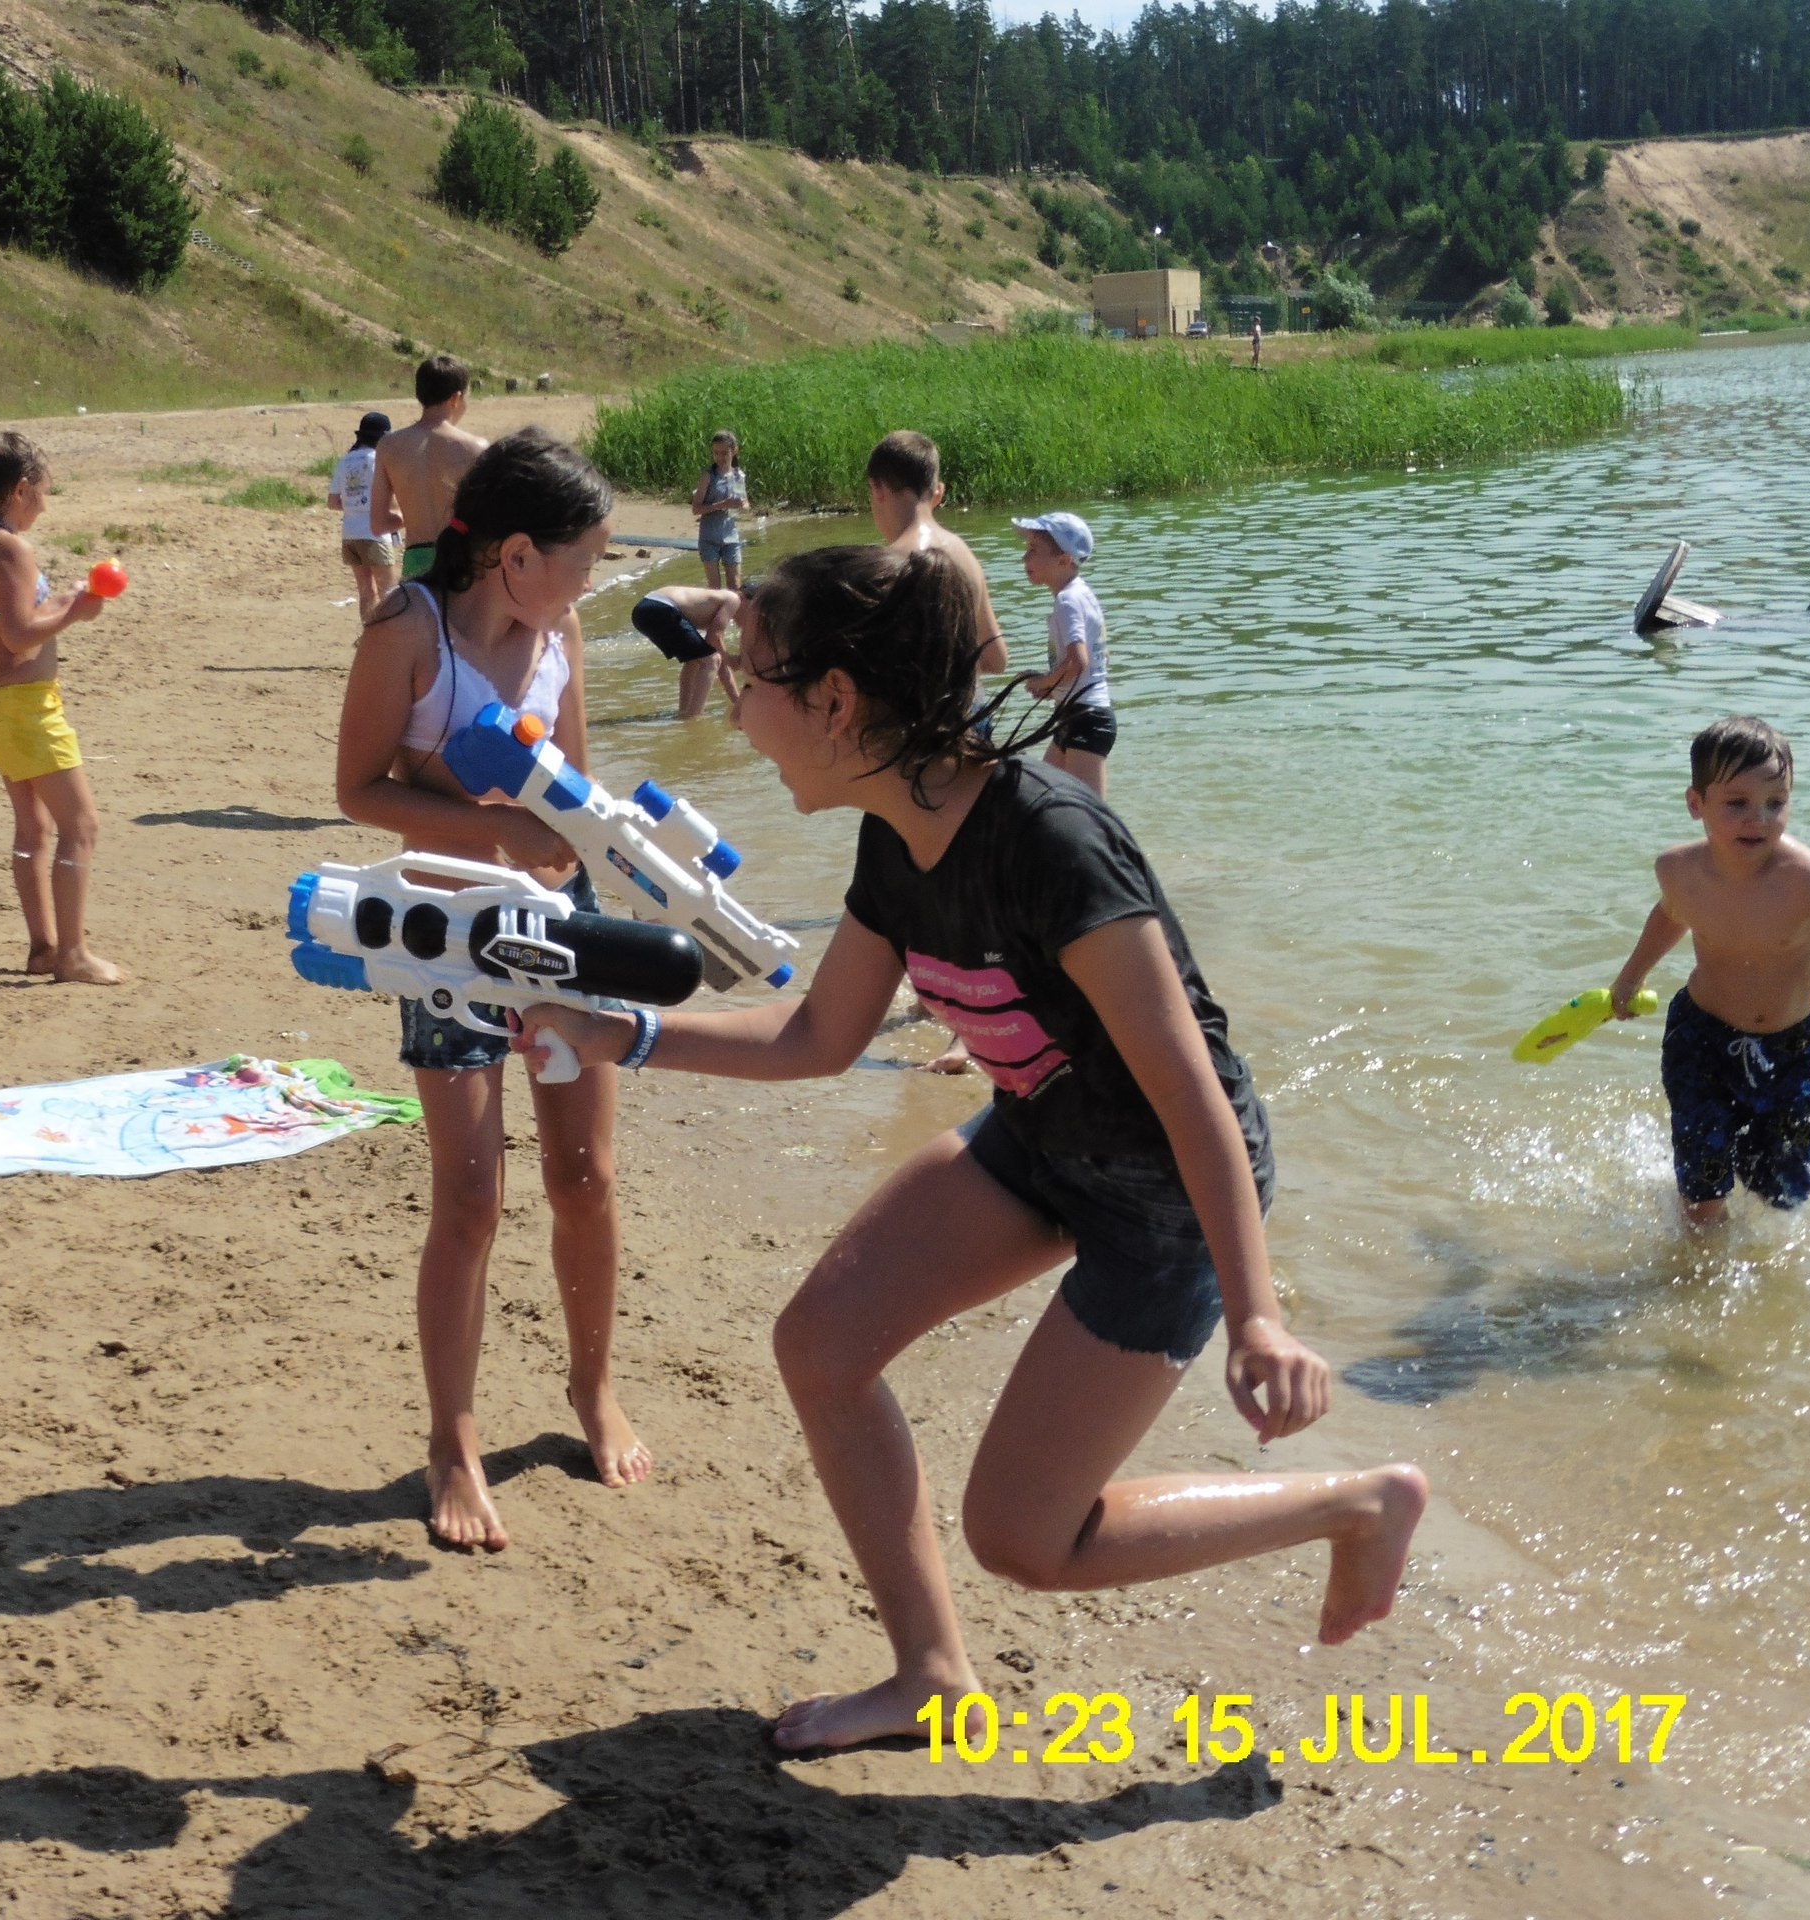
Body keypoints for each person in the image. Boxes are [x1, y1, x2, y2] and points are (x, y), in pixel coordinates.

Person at [512, 543, 1428, 1752]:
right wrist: (615, 1032)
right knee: (822, 1346)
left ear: (836, 701)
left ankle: (1357, 1503)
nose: (736, 713)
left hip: (1166, 1195)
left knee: (1025, 1540)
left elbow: (1188, 1086)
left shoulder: (1052, 842)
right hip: (1042, 1141)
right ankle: (930, 1676)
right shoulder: (895, 838)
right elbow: (816, 1036)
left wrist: (1257, 1314)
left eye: (754, 682)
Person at [333, 427, 648, 1553]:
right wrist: (491, 830)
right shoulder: (405, 632)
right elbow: (357, 786)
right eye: (587, 558)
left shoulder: (558, 629)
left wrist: (611, 854)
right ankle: (453, 1441)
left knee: (583, 1177)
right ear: (517, 554)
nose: (593, 581)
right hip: (449, 942)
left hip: (562, 936)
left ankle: (590, 1389)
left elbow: (573, 788)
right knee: (470, 1199)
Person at [1607, 715, 1810, 1223]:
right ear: (1696, 805)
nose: (1758, 819)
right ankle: (1698, 1273)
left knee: (1778, 1193)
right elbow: (1672, 913)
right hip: (1700, 1039)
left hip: (1792, 1050)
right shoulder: (1678, 868)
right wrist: (1631, 977)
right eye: (1737, 803)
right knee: (1702, 1185)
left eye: (1775, 803)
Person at [0, 432, 124, 986]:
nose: (46, 505)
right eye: (43, 493)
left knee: (34, 827)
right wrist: (76, 610)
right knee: (81, 825)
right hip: (20, 707)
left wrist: (63, 601)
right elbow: (20, 636)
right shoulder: (10, 546)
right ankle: (71, 954)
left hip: (0, 700)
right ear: (21, 489)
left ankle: (44, 948)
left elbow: (10, 616)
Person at [863, 432, 1007, 675]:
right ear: (937, 493)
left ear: (877, 488)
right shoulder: (964, 554)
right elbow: (997, 659)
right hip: (974, 708)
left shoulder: (892, 563)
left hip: (924, 711)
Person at [1013, 510, 1113, 796]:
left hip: (1087, 719)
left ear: (1064, 560)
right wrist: (1055, 688)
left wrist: (1044, 682)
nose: (1024, 558)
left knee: (1089, 818)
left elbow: (1078, 661)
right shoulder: (1081, 594)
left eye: (1033, 550)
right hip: (1074, 715)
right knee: (1043, 797)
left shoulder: (1068, 601)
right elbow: (1101, 657)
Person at [371, 356, 486, 584]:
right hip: (461, 556)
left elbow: (379, 524)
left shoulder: (389, 446)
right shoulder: (476, 448)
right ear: (456, 398)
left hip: (416, 559)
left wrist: (413, 513)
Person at [631, 586, 743, 720]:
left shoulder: (719, 604)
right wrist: (731, 660)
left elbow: (717, 655)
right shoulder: (734, 599)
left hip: (642, 610)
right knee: (711, 660)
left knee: (696, 661)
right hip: (661, 608)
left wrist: (738, 702)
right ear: (748, 601)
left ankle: (684, 713)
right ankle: (694, 718)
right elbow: (715, 640)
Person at [327, 412, 401, 614]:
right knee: (389, 592)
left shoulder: (345, 461)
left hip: (350, 532)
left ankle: (368, 637)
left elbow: (333, 502)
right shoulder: (379, 460)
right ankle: (390, 639)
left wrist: (355, 504)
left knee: (366, 591)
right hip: (375, 532)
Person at [691, 430, 749, 593]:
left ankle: (734, 619)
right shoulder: (708, 476)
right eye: (716, 453)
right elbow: (696, 509)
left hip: (731, 537)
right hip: (709, 538)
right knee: (715, 591)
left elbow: (744, 505)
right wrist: (723, 504)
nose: (720, 457)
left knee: (735, 587)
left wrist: (740, 505)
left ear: (734, 450)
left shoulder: (738, 476)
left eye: (724, 453)